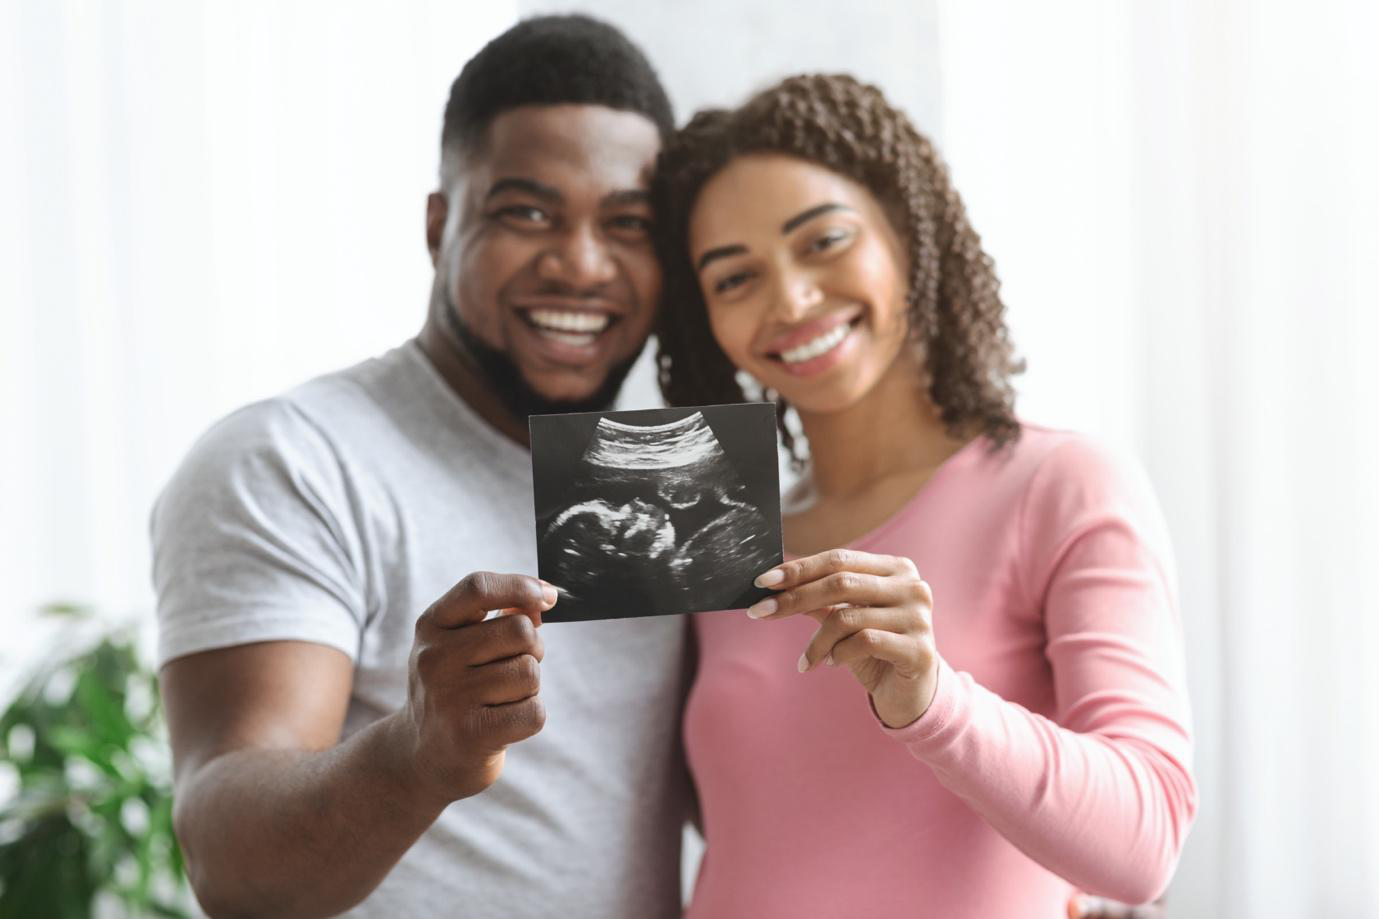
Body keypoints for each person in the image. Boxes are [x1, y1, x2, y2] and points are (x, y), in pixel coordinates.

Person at [151, 16, 693, 918]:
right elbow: (228, 860)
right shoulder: (293, 458)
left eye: (627, 224)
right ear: (440, 226)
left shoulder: (659, 472)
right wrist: (417, 754)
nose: (580, 263)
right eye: (527, 212)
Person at [652, 74, 1197, 918]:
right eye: (734, 279)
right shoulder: (719, 536)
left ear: (908, 233)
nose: (791, 300)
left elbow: (1146, 841)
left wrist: (933, 698)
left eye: (823, 240)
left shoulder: (1062, 486)